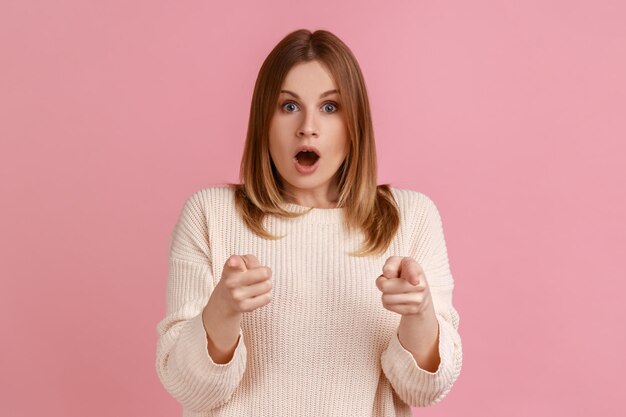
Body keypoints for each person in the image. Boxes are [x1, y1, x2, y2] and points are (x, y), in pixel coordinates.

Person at [155, 28, 462, 417]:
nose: (308, 126)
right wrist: (222, 311)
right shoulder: (210, 215)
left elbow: (424, 390)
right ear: (263, 121)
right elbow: (188, 389)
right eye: (288, 106)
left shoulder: (412, 219)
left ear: (356, 126)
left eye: (330, 107)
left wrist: (419, 315)